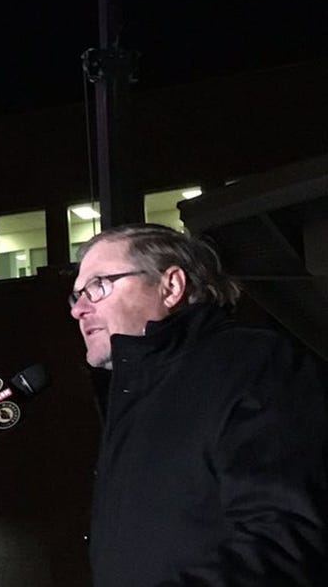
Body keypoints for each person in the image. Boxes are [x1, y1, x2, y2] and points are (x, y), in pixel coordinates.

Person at [69, 223, 328, 585]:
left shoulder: (253, 364)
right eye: (76, 294)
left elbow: (287, 536)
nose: (78, 310)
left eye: (98, 287)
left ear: (170, 286)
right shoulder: (133, 396)